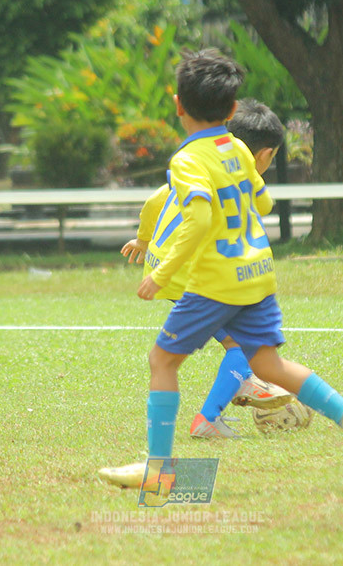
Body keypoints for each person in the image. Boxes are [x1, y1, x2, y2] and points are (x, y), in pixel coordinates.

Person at [99, 49, 343, 488]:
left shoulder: (188, 159)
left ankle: (159, 472)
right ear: (233, 110)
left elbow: (196, 218)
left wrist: (161, 273)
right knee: (269, 363)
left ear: (178, 105)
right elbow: (264, 200)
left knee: (162, 360)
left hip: (216, 282)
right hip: (257, 275)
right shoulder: (235, 147)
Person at [117, 98, 293, 444]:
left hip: (166, 263)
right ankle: (213, 413)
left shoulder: (201, 163)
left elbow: (155, 201)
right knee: (245, 345)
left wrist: (143, 240)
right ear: (264, 156)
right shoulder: (234, 171)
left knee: (235, 342)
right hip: (184, 272)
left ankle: (230, 397)